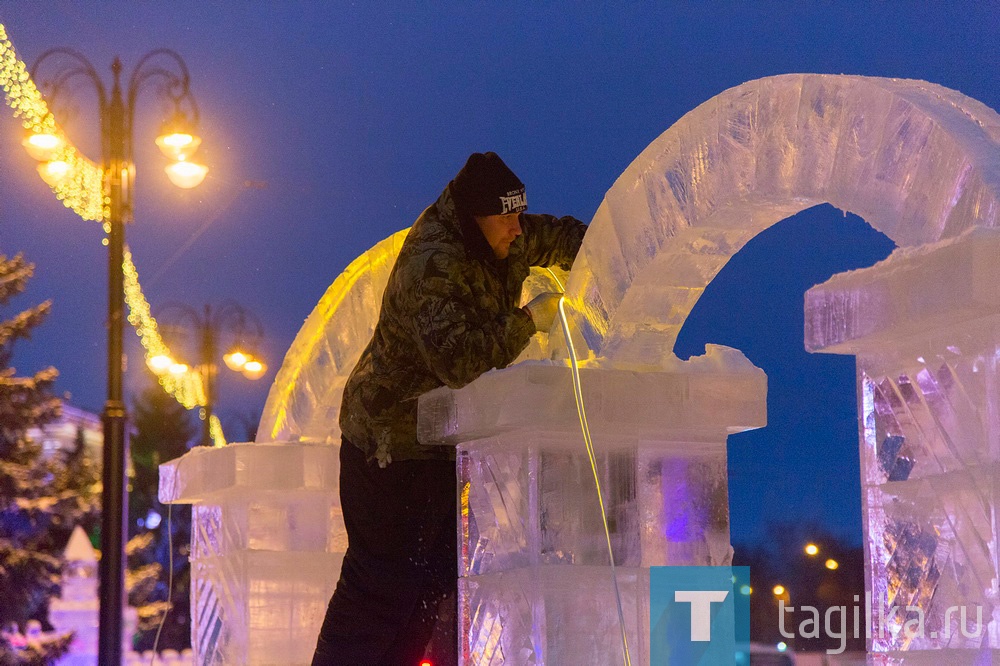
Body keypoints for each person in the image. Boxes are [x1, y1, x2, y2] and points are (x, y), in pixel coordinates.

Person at [311, 152, 587, 665]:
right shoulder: (432, 264)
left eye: (519, 214)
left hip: (434, 443)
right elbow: (459, 360)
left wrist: (602, 257)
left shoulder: (506, 235)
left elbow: (568, 238)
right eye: (505, 218)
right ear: (472, 217)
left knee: (430, 583)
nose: (517, 229)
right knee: (378, 587)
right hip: (386, 445)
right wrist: (529, 320)